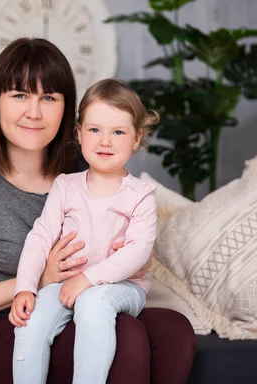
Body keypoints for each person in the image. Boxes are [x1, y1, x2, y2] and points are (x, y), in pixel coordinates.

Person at [0, 37, 196, 384]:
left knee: (174, 331)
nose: (34, 112)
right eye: (20, 95)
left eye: (49, 97)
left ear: (69, 111)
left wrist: (134, 259)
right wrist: (38, 280)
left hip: (78, 301)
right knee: (124, 336)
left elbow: (126, 233)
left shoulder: (83, 167)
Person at [10, 78, 160, 384]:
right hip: (66, 283)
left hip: (122, 288)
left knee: (93, 303)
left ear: (136, 138)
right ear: (79, 134)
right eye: (95, 130)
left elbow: (138, 251)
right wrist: (25, 286)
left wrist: (88, 279)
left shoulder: (141, 194)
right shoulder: (65, 186)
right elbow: (40, 237)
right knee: (30, 321)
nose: (105, 141)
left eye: (118, 132)